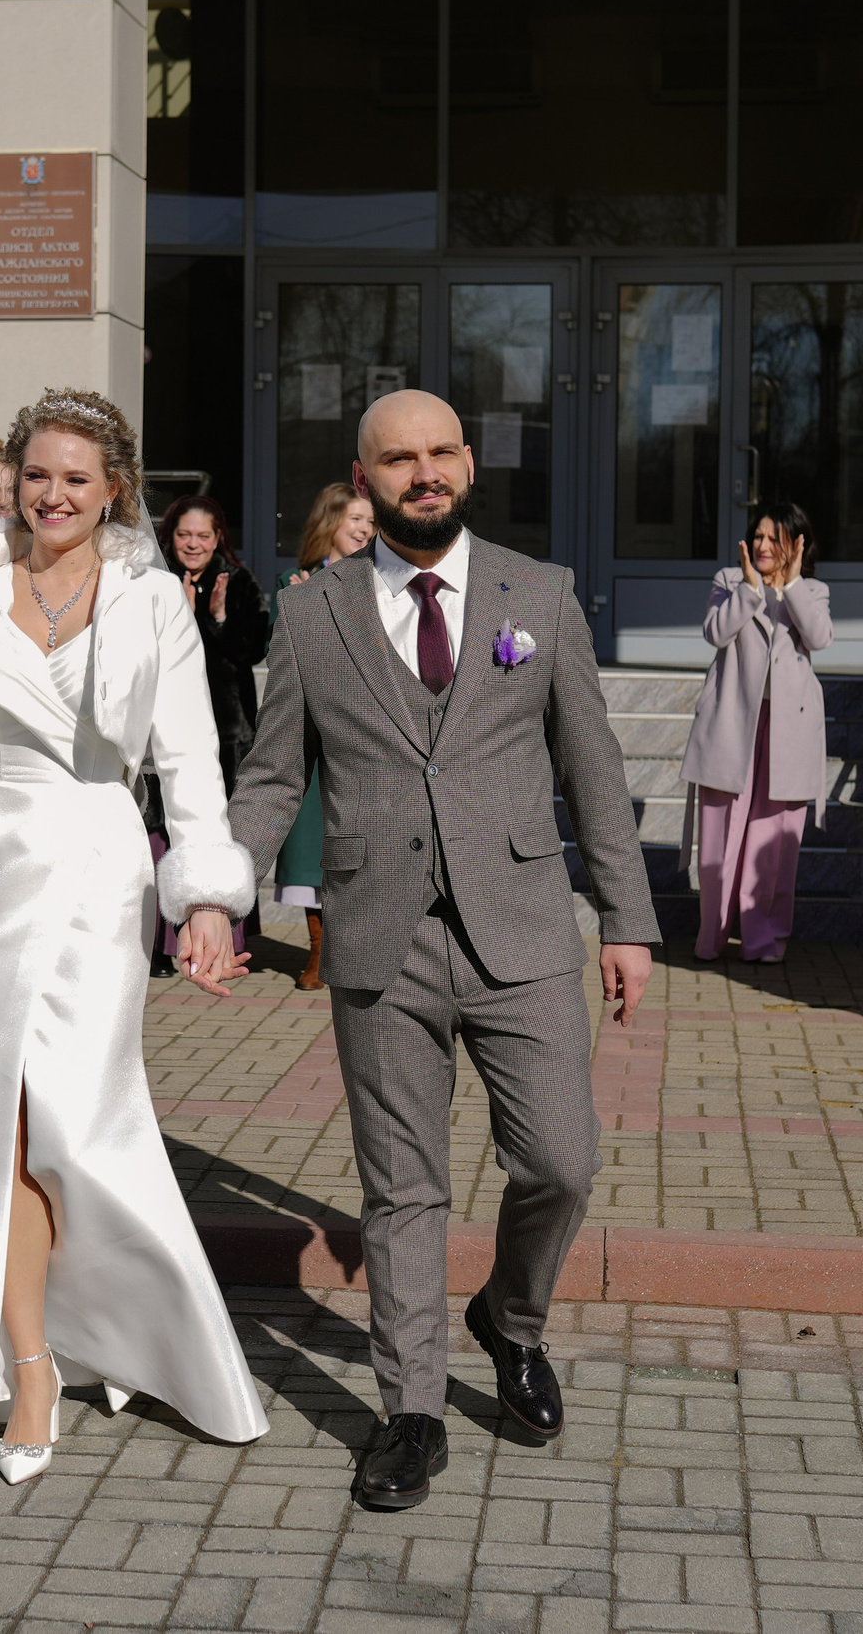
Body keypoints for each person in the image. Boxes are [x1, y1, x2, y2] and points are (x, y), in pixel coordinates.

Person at [229, 389, 657, 1511]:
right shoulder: (314, 611)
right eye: (396, 459)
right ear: (363, 477)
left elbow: (593, 767)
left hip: (519, 924)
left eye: (438, 453)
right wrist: (217, 891)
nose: (422, 473)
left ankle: (509, 1320)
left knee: (561, 1161)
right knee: (402, 1193)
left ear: (466, 463)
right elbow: (276, 774)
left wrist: (627, 919)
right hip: (377, 932)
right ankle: (410, 1410)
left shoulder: (540, 595)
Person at [0, 388, 269, 1484]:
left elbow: (189, 764)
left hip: (100, 865)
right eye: (36, 475)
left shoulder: (151, 601)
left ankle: (148, 1331)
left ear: (113, 491)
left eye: (75, 480)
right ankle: (28, 1365)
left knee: (79, 1127)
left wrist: (203, 900)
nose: (51, 495)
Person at [681, 502, 831, 964]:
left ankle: (762, 942)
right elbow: (715, 632)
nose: (764, 546)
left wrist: (792, 584)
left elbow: (820, 637)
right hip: (732, 724)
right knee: (719, 839)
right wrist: (750, 590)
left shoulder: (812, 589)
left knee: (773, 847)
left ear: (795, 544)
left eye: (775, 538)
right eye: (758, 536)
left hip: (788, 731)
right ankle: (712, 937)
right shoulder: (729, 581)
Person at [271, 482, 374, 990]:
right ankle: (317, 951)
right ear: (330, 522)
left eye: (371, 522)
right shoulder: (293, 583)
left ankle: (351, 949)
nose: (364, 529)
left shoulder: (380, 582)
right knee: (309, 844)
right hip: (310, 731)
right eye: (355, 518)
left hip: (361, 733)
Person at [158, 495, 271, 792]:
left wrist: (218, 617)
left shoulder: (238, 581)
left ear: (217, 537)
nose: (193, 544)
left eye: (203, 536)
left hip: (228, 729)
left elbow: (255, 651)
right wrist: (183, 616)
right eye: (184, 535)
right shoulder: (156, 580)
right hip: (166, 724)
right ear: (171, 534)